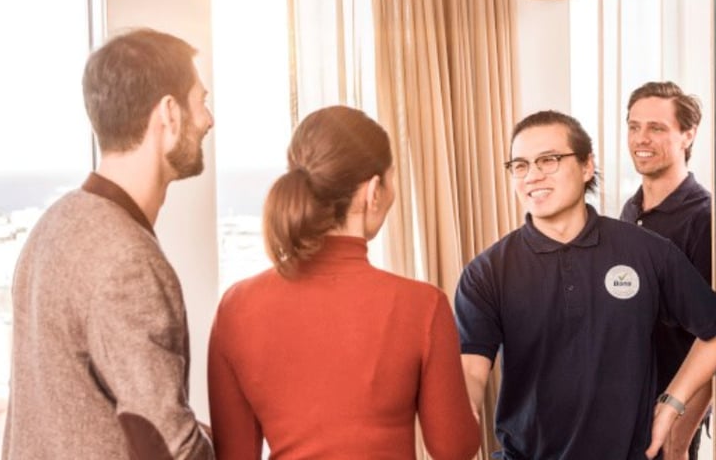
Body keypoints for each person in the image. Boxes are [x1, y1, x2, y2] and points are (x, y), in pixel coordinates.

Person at [207, 105, 480, 459]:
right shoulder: (422, 305)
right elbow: (454, 448)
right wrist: (466, 399)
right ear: (374, 191)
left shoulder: (236, 307)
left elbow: (234, 454)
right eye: (392, 178)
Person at [2, 28, 215, 459]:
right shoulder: (127, 261)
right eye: (201, 102)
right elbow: (171, 449)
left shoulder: (54, 224)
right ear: (169, 115)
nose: (209, 120)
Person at [454, 110, 716, 460]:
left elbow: (712, 329)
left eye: (548, 160)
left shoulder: (647, 251)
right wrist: (459, 415)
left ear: (586, 166)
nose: (532, 176)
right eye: (520, 165)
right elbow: (470, 371)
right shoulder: (486, 272)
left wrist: (672, 402)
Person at [621, 81, 713, 460]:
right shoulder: (631, 210)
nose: (641, 138)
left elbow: (712, 338)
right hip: (630, 404)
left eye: (657, 128)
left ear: (687, 135)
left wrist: (677, 441)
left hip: (673, 411)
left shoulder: (705, 219)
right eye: (633, 126)